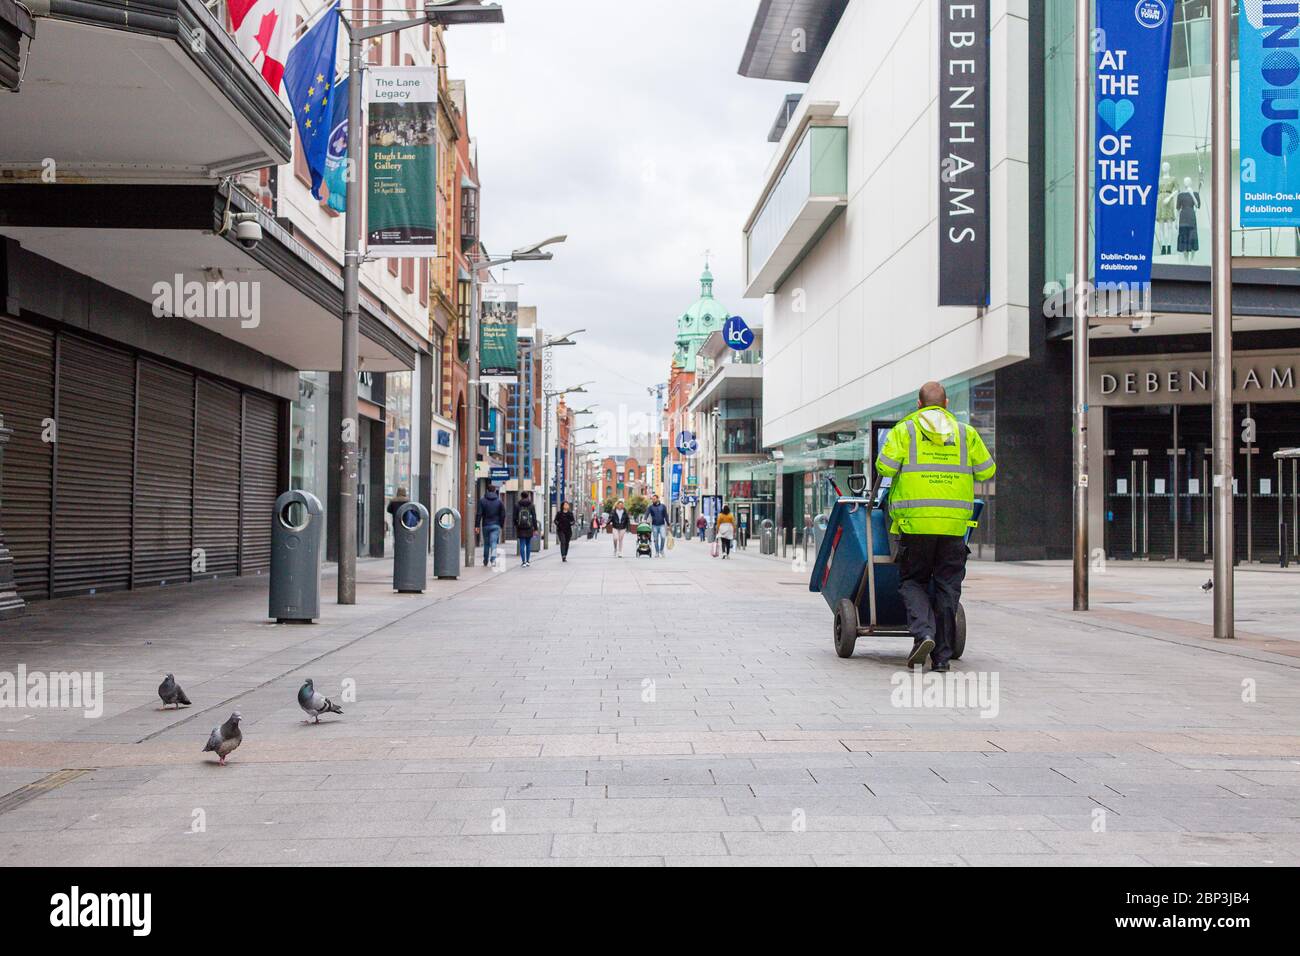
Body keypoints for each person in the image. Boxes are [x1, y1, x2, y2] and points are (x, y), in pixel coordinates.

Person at [875, 381, 996, 672]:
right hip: (954, 527)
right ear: (945, 405)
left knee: (913, 580)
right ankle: (941, 658)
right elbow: (987, 471)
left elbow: (885, 467)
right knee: (947, 587)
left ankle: (923, 633)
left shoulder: (905, 430)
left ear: (919, 405)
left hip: (914, 525)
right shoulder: (966, 433)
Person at [475, 483, 506, 568]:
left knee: (486, 544)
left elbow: (479, 514)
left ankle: (485, 560)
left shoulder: (482, 500)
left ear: (487, 490)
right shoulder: (499, 501)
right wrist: (501, 525)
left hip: (485, 525)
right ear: (495, 490)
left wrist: (477, 525)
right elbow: (503, 514)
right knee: (494, 543)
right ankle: (493, 559)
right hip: (496, 525)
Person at [514, 491, 538, 567]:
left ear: (521, 496)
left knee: (522, 544)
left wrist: (516, 525)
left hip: (520, 527)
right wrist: (535, 528)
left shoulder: (517, 505)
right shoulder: (531, 505)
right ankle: (528, 561)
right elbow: (534, 517)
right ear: (528, 496)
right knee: (528, 544)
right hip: (529, 527)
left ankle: (523, 561)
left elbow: (514, 517)